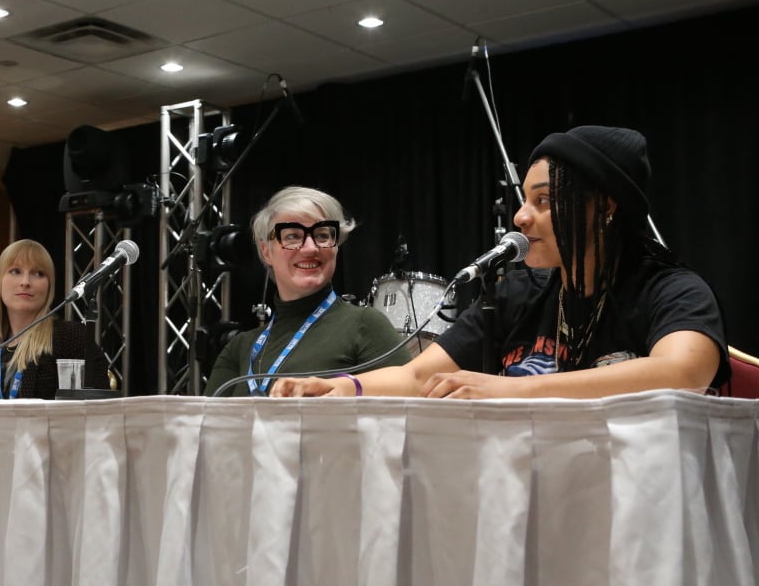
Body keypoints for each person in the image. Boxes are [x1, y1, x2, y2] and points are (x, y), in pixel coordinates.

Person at [271, 126, 729, 399]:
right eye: (523, 200)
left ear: (606, 207)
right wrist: (343, 388)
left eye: (545, 200)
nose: (520, 217)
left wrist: (508, 391)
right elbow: (417, 374)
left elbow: (683, 373)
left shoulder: (670, 289)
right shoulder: (517, 292)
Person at [204, 186, 412, 397]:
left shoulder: (365, 325)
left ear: (336, 247)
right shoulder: (240, 348)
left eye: (322, 235)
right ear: (267, 251)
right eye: (293, 236)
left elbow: (410, 407)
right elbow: (207, 426)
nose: (311, 248)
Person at [0, 239, 110, 399]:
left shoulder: (70, 338)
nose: (25, 282)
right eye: (15, 271)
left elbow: (102, 411)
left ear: (49, 286)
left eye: (38, 273)